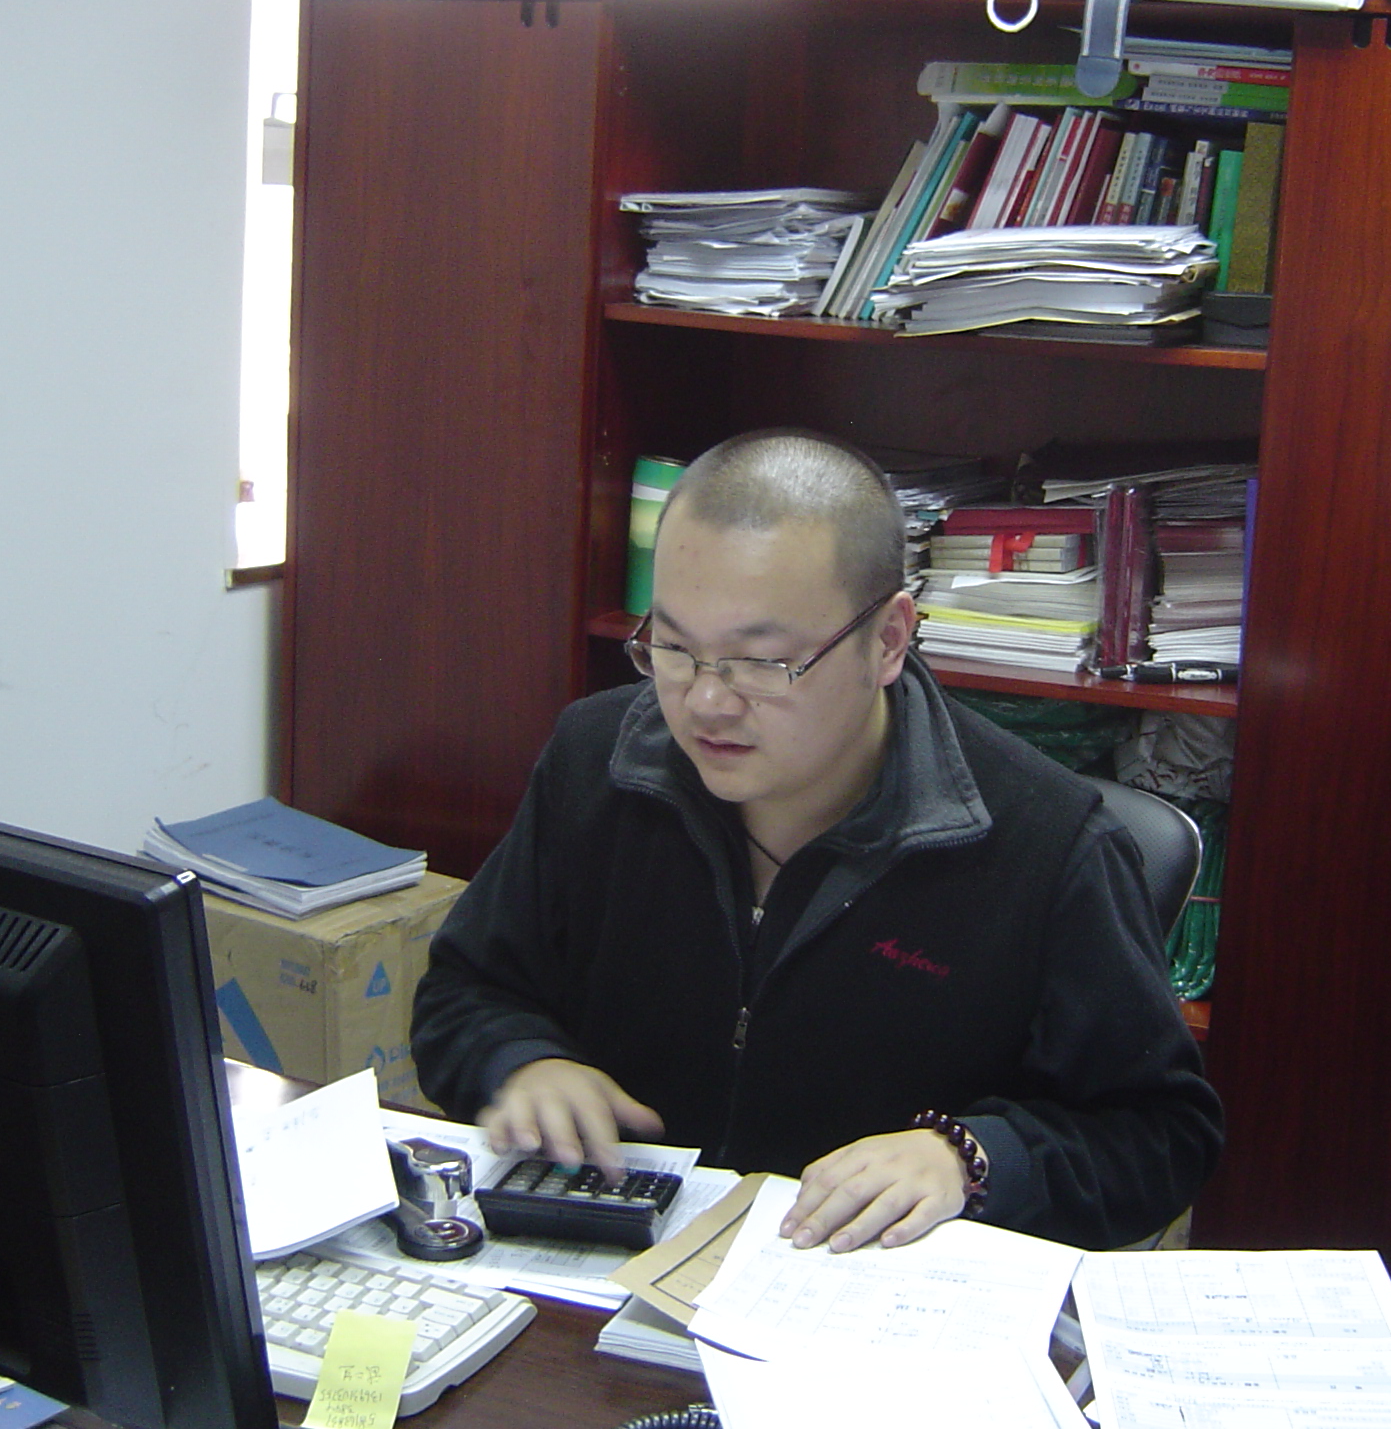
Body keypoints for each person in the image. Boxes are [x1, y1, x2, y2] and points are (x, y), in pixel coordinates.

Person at [410, 429, 1221, 1253]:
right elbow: (463, 990)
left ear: (889, 640)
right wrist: (519, 1061)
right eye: (675, 648)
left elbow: (1163, 1138)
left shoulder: (1045, 845)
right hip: (610, 1263)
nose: (706, 702)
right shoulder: (598, 762)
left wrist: (971, 1158)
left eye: (763, 662)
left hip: (861, 1287)